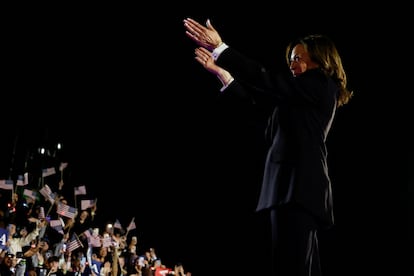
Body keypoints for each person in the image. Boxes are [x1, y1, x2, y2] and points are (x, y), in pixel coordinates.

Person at [183, 17, 353, 276]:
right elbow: (258, 109)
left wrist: (220, 48)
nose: (292, 64)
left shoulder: (320, 83)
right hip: (290, 192)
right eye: (290, 59)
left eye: (298, 58)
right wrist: (223, 74)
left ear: (320, 58)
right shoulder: (298, 100)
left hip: (299, 191)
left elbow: (265, 79)